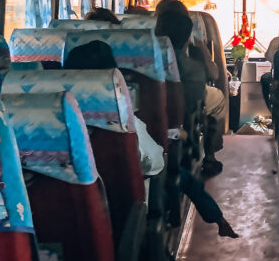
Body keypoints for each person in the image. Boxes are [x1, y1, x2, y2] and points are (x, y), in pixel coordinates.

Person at [64, 38, 238, 239]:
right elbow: (154, 163)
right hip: (126, 210)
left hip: (71, 216)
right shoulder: (122, 122)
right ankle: (218, 220)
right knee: (180, 176)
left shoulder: (56, 120)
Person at [155, 0, 226, 177]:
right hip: (182, 106)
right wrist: (203, 50)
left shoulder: (140, 46)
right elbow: (214, 75)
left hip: (149, 108)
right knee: (217, 98)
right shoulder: (191, 59)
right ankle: (209, 156)